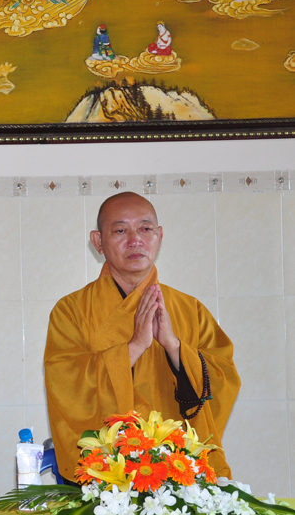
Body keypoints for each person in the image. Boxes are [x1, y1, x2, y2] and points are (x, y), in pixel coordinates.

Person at [44, 192, 239, 481]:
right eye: (120, 230)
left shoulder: (190, 309)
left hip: (178, 469)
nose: (135, 240)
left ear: (159, 236)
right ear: (98, 241)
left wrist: (174, 347)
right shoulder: (71, 311)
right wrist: (134, 347)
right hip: (105, 473)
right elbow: (66, 386)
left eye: (145, 229)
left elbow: (223, 379)